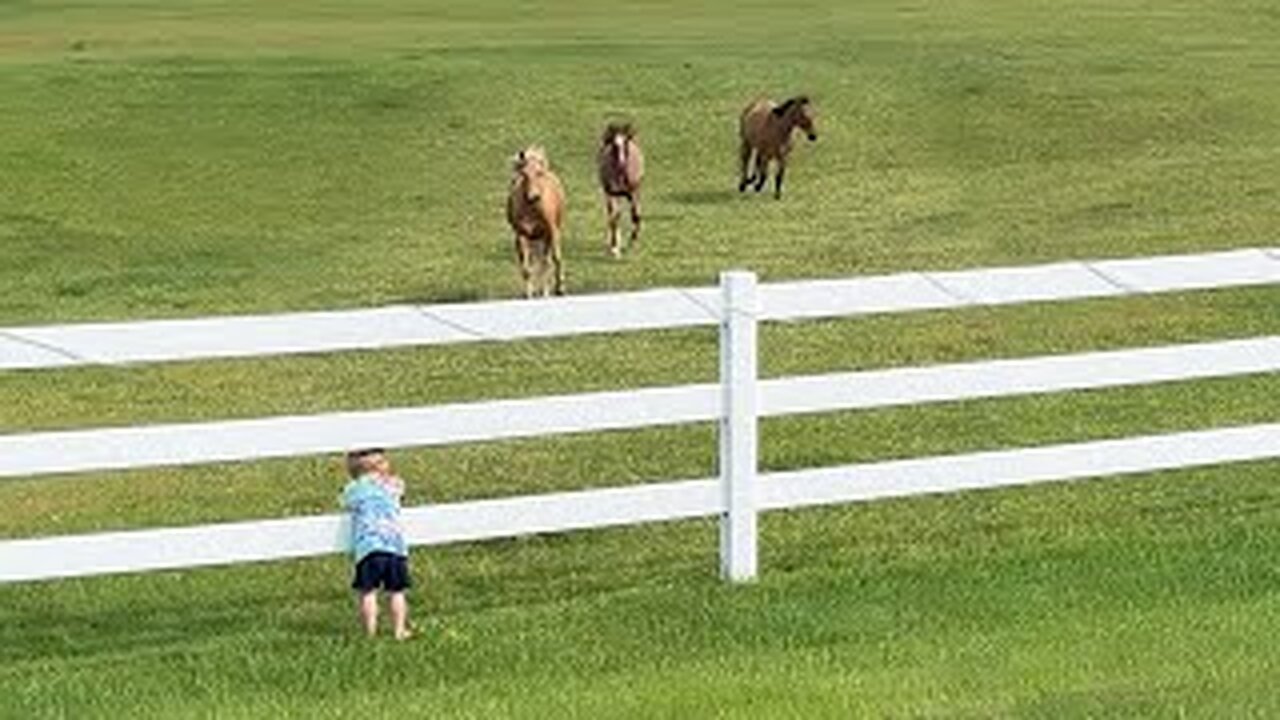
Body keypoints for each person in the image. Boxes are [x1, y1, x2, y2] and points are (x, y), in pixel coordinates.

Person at [341, 448, 413, 640]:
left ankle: (370, 632)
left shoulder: (355, 489)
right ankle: (399, 630)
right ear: (381, 466)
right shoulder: (392, 486)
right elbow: (401, 489)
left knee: (368, 593)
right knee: (397, 592)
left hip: (368, 549)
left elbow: (345, 502)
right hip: (395, 548)